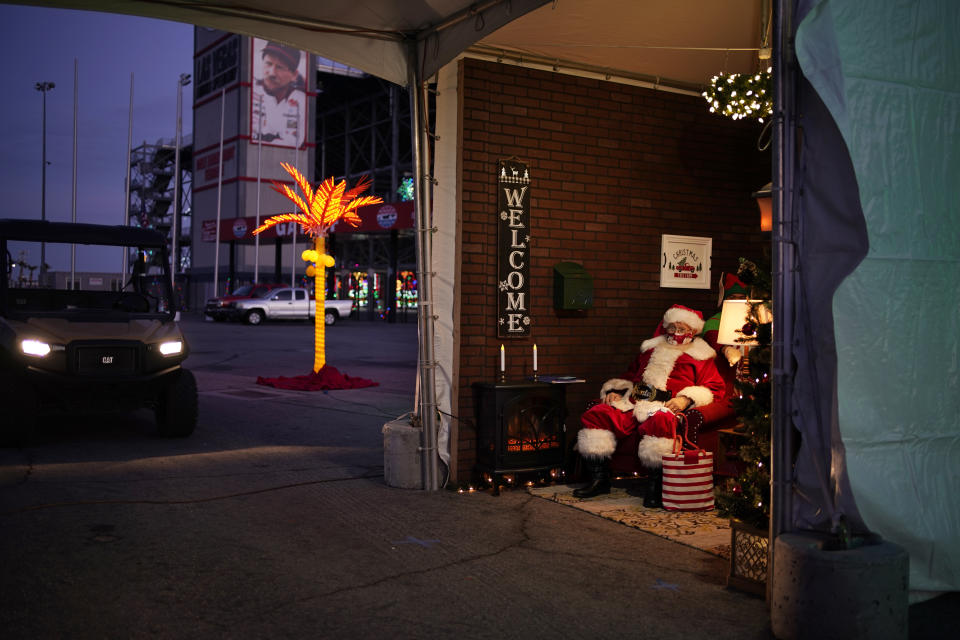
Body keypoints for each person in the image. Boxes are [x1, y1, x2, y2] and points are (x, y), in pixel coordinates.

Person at [572, 304, 727, 505]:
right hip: (634, 402)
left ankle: (656, 486)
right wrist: (616, 392)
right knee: (598, 413)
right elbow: (631, 375)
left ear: (692, 331)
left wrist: (686, 398)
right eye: (672, 328)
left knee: (660, 422)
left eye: (682, 329)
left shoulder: (702, 356)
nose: (676, 333)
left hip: (666, 406)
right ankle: (599, 480)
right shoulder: (651, 348)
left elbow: (714, 388)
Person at [253, 41, 306, 147]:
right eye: (268, 64)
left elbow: (294, 142)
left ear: (294, 75)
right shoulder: (251, 92)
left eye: (280, 67)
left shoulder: (301, 100)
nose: (272, 73)